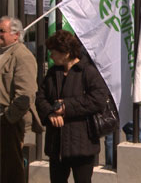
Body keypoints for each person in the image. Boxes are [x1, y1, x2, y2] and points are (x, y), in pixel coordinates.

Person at [36, 30, 111, 183]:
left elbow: (98, 99)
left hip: (82, 144)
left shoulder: (88, 72)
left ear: (66, 52)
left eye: (54, 52)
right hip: (56, 146)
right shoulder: (52, 73)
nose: (51, 56)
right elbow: (40, 98)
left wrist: (66, 107)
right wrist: (51, 113)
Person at [0, 16, 42, 183]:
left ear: (16, 34)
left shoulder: (22, 56)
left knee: (10, 169)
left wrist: (8, 119)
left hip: (8, 122)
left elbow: (25, 95)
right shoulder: (3, 53)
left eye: (2, 31)